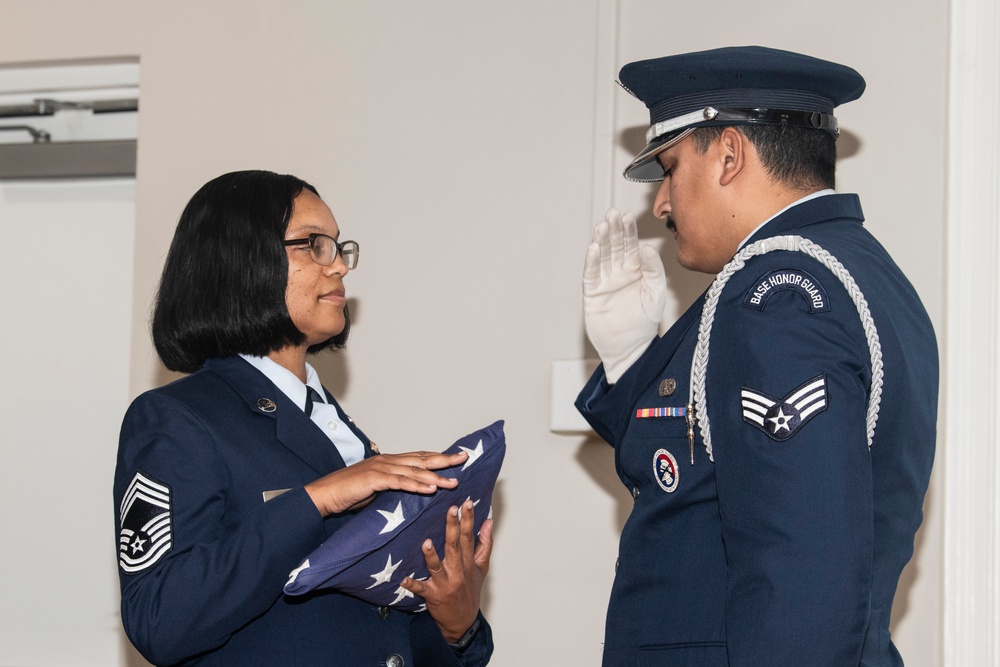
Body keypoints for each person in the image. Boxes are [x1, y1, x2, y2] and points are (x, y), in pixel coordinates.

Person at [576, 47, 937, 666]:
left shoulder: (779, 292)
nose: (661, 202)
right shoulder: (860, 268)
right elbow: (699, 477)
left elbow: (800, 566)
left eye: (669, 167)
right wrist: (633, 363)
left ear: (729, 155)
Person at [114, 170, 494, 666]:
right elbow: (161, 619)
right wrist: (318, 498)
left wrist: (456, 624)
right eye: (313, 244)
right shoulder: (176, 418)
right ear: (239, 258)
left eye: (338, 246)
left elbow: (375, 638)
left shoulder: (341, 431)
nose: (338, 266)